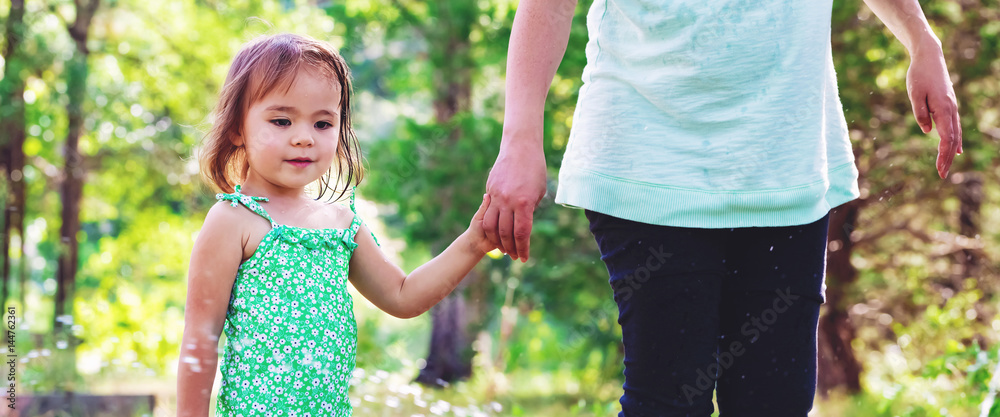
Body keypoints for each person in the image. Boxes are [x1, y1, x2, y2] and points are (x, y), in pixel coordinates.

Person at [483, 0, 962, 415]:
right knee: (670, 402)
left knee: (775, 403)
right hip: (649, 160)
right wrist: (519, 140)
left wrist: (922, 40)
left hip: (785, 163)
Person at [176, 33, 497, 417]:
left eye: (323, 124)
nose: (303, 138)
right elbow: (200, 339)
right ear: (237, 129)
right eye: (281, 120)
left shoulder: (341, 223)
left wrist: (474, 242)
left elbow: (402, 295)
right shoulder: (234, 220)